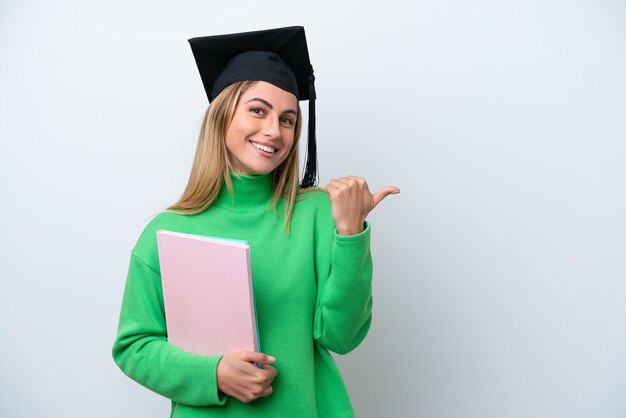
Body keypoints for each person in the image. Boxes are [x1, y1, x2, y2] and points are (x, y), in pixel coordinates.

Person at [112, 26, 399, 418]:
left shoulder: (316, 213)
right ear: (223, 114)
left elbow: (342, 337)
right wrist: (212, 373)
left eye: (287, 119)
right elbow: (134, 346)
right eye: (258, 110)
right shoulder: (167, 231)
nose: (273, 131)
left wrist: (351, 233)